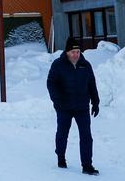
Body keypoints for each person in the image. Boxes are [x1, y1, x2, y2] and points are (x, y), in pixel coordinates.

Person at [46, 36, 100, 175]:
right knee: (63, 133)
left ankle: (87, 165)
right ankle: (61, 156)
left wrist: (95, 102)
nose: (76, 54)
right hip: (64, 107)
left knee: (86, 136)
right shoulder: (58, 65)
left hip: (82, 107)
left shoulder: (85, 65)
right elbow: (51, 83)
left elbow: (91, 84)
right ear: (67, 52)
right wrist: (57, 101)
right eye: (73, 52)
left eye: (78, 52)